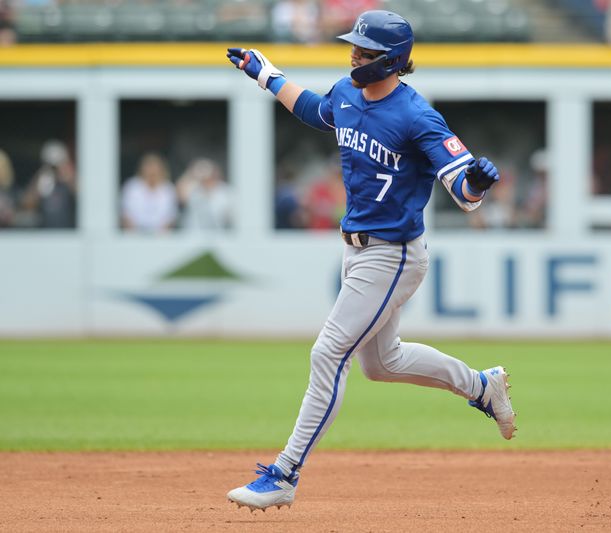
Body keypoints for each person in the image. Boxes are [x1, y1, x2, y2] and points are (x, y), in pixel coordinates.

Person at [225, 10, 516, 512]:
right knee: (382, 363)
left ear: (394, 60)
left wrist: (479, 182)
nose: (355, 54)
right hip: (355, 250)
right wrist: (264, 72)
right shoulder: (347, 92)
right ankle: (482, 386)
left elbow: (464, 193)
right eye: (354, 46)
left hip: (394, 255)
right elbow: (315, 110)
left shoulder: (417, 115)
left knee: (327, 353)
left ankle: (285, 473)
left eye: (366, 49)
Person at [19, 140, 77, 229]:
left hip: (69, 234)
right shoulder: (43, 180)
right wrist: (38, 181)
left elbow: (86, 200)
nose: (54, 169)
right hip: (47, 235)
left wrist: (68, 177)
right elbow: (27, 205)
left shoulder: (70, 180)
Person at [120, 152, 178, 233]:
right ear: (142, 169)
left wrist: (161, 234)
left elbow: (171, 216)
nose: (152, 171)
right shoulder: (132, 187)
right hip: (134, 236)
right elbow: (125, 214)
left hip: (162, 238)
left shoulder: (168, 188)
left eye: (154, 167)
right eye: (148, 167)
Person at [176, 157, 232, 231]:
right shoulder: (194, 188)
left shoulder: (225, 191)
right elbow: (180, 195)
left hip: (218, 235)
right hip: (193, 235)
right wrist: (191, 173)